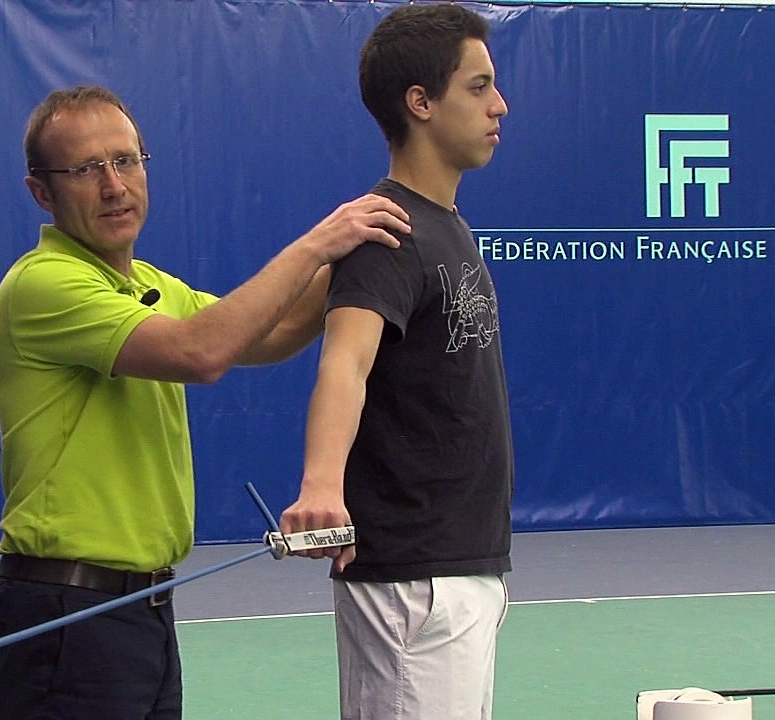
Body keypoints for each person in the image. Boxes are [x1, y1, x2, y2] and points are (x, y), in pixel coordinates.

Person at [0, 84, 410, 720]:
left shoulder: (152, 286)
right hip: (65, 618)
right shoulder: (43, 284)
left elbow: (277, 331)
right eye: (86, 169)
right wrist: (321, 243)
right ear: (42, 192)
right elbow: (202, 352)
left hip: (142, 615)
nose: (114, 185)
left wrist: (368, 255)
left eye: (126, 160)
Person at [278, 5, 513, 719]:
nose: (499, 105)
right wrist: (321, 482)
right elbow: (343, 363)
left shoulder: (447, 225)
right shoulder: (388, 230)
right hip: (416, 590)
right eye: (478, 87)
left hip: (458, 575)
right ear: (421, 103)